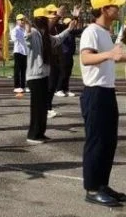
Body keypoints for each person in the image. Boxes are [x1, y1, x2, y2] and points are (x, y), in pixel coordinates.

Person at [79, 0, 126, 207]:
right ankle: (92, 189)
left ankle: (102, 184)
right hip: (94, 93)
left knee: (108, 142)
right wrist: (110, 55)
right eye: (114, 5)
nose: (118, 8)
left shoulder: (105, 32)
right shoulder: (91, 31)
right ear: (104, 9)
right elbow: (86, 58)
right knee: (96, 142)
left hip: (106, 91)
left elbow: (109, 57)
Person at [24, 8, 74, 143]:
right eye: (47, 18)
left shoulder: (44, 34)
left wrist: (68, 29)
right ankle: (33, 135)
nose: (49, 20)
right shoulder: (34, 32)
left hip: (44, 74)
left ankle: (40, 132)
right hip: (35, 76)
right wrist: (27, 32)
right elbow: (27, 41)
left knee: (43, 107)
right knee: (37, 107)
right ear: (40, 20)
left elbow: (57, 40)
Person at [55, 17, 79, 97]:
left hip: (70, 55)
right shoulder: (63, 32)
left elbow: (78, 28)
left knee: (68, 73)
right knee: (63, 72)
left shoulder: (72, 32)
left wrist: (76, 17)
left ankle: (66, 89)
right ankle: (59, 89)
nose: (72, 24)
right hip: (63, 54)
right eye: (69, 23)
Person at [11, 14, 27, 94]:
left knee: (24, 70)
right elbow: (14, 39)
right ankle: (17, 86)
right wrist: (22, 38)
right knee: (17, 70)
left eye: (23, 20)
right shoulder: (15, 30)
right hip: (18, 51)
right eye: (20, 20)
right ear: (17, 21)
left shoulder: (24, 29)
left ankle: (23, 86)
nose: (22, 21)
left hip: (25, 51)